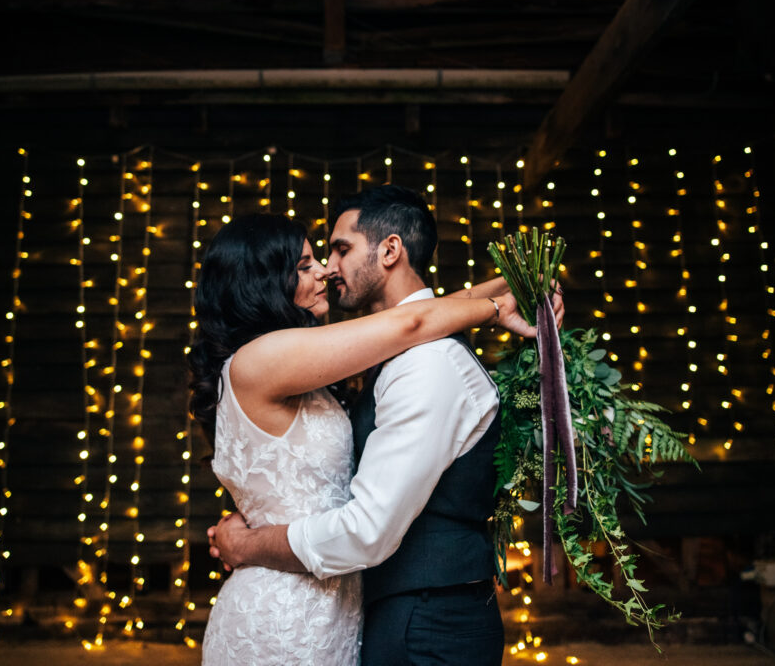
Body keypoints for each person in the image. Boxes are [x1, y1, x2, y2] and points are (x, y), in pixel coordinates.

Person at [208, 186, 564, 666]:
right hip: (286, 610)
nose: (326, 270)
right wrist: (498, 306)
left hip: (353, 607)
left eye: (335, 252)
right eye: (305, 264)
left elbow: (413, 321)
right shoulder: (264, 359)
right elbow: (409, 323)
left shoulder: (393, 359)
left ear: (391, 250)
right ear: (263, 282)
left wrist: (509, 290)